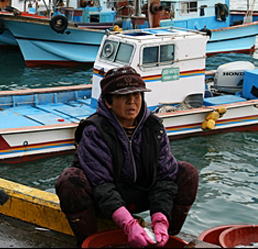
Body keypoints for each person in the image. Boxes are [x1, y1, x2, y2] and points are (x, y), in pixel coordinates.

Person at [55, 66, 199, 248]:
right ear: (108, 101)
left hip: (140, 194)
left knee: (187, 172)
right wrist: (128, 224)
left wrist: (160, 217)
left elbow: (165, 177)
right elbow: (101, 185)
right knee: (70, 180)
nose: (132, 101)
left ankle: (164, 237)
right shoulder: (95, 131)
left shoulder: (154, 128)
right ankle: (90, 241)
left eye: (137, 95)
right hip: (103, 200)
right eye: (124, 96)